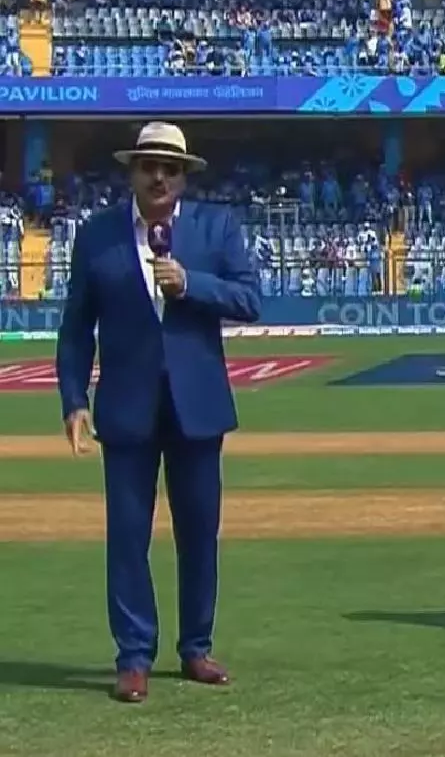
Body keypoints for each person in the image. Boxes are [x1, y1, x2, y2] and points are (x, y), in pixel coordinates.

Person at [55, 122, 261, 703]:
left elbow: (250, 298)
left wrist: (192, 283)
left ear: (184, 177)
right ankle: (133, 657)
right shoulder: (97, 236)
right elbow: (76, 328)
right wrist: (73, 399)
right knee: (127, 538)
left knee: (199, 536)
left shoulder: (216, 227)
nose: (159, 177)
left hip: (197, 407)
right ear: (133, 171)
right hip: (127, 408)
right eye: (150, 166)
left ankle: (195, 648)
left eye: (171, 168)